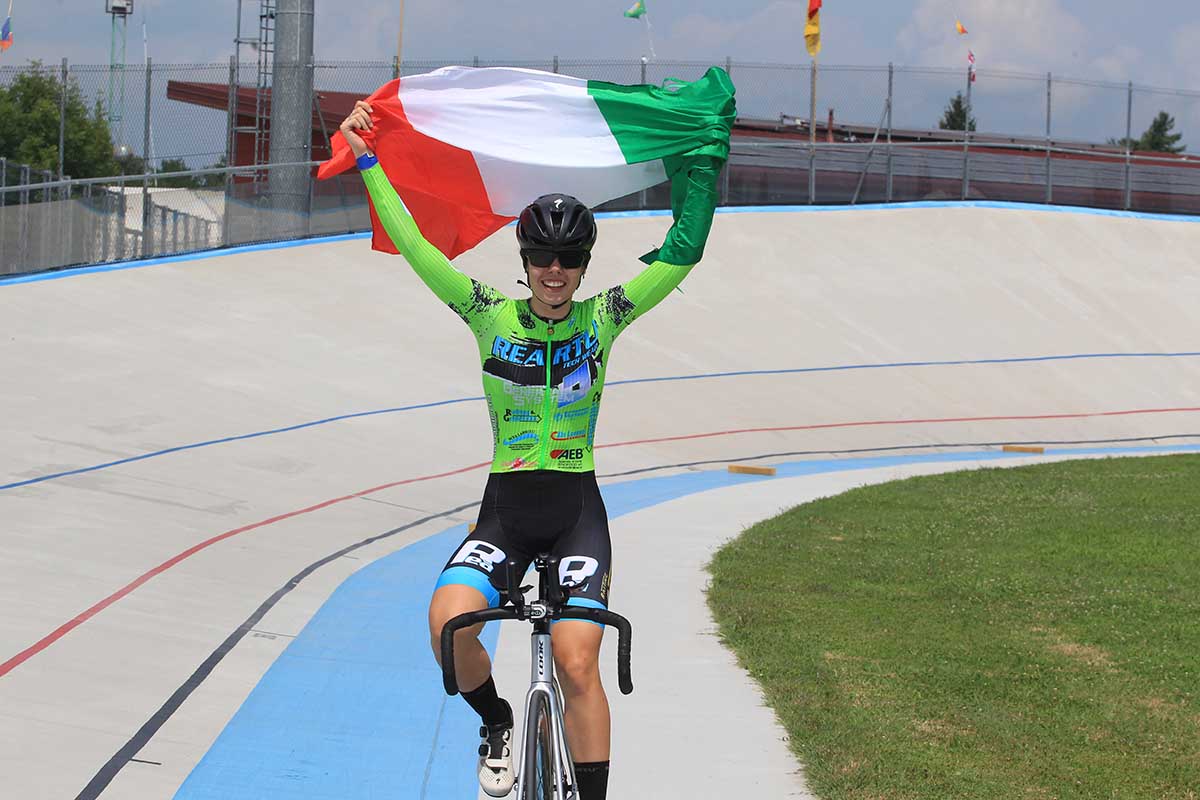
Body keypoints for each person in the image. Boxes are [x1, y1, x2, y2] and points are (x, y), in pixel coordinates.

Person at [340, 99, 721, 800]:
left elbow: (683, 250)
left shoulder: (605, 318)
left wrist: (707, 163)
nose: (554, 269)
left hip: (576, 509)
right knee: (449, 626)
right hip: (506, 512)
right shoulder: (488, 313)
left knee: (578, 664)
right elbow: (417, 244)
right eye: (542, 256)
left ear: (582, 265)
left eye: (569, 258)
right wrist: (367, 157)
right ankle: (497, 721)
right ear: (524, 259)